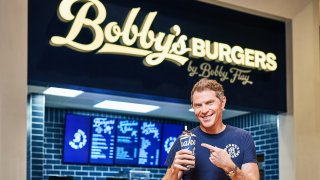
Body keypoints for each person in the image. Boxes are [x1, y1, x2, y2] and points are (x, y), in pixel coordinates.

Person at [162, 78, 259, 180]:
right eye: (198, 105)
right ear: (193, 107)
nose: (204, 110)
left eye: (209, 103)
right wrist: (174, 170)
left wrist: (230, 167)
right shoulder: (184, 141)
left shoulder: (243, 137)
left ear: (222, 102)